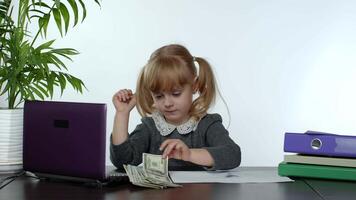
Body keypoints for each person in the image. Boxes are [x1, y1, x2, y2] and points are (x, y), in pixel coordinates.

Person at [110, 44, 241, 170]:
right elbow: (123, 162)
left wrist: (189, 154)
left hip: (198, 193)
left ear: (194, 85)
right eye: (159, 96)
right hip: (158, 193)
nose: (167, 103)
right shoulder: (150, 127)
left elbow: (232, 154)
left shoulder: (207, 124)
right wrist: (122, 114)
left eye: (176, 93)